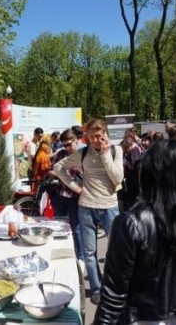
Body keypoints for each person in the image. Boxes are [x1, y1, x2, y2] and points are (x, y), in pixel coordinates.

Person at [94, 140, 176, 324]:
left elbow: (113, 294)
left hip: (138, 318)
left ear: (150, 173)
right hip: (173, 318)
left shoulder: (131, 222)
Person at [54, 118, 123, 305]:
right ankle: (97, 288)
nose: (95, 140)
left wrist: (106, 154)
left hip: (109, 206)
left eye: (99, 136)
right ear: (86, 137)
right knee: (90, 251)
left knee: (117, 249)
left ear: (105, 134)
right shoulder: (82, 153)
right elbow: (59, 168)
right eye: (91, 136)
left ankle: (113, 286)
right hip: (86, 206)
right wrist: (76, 188)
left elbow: (117, 177)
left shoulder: (117, 150)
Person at [48, 128, 84, 261]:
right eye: (64, 145)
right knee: (59, 228)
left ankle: (80, 259)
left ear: (76, 141)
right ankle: (61, 256)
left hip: (76, 197)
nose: (67, 148)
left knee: (77, 229)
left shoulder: (83, 154)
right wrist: (62, 175)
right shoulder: (60, 154)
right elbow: (52, 171)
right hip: (60, 195)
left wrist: (65, 175)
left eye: (69, 144)